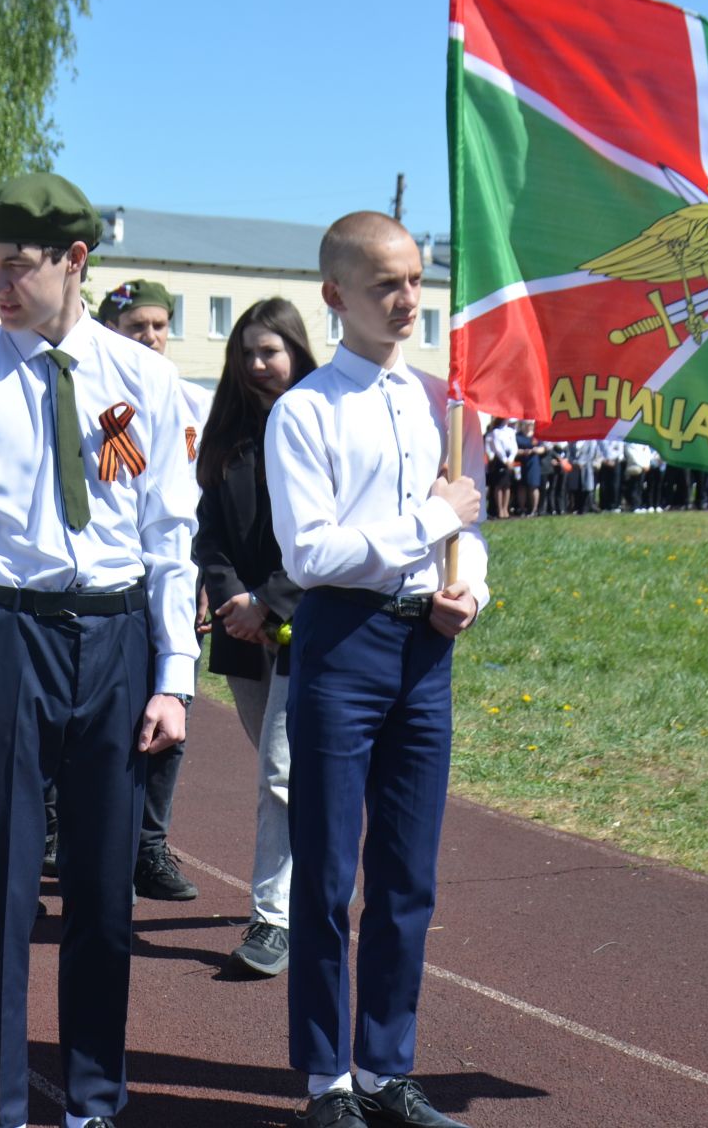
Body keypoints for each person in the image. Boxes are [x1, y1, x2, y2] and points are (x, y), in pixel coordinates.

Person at [0, 173, 198, 1128]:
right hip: (7, 634)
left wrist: (174, 678)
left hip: (114, 637)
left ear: (75, 261)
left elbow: (169, 534)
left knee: (105, 892)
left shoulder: (145, 380)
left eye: (18, 267)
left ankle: (93, 1101)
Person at [267, 211, 486, 1128]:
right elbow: (312, 553)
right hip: (342, 645)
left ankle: (388, 1066)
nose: (407, 300)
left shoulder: (441, 399)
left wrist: (467, 585)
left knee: (408, 874)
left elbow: (468, 520)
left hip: (423, 649)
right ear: (335, 296)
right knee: (324, 872)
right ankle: (326, 1080)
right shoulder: (304, 411)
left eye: (415, 280)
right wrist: (433, 524)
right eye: (385, 284)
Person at [193, 297, 314, 977]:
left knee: (281, 773)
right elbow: (208, 531)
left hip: (306, 629)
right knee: (289, 777)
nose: (258, 365)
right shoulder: (229, 435)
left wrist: (268, 602)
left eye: (270, 351)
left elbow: (324, 537)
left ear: (296, 350)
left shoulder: (321, 421)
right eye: (247, 353)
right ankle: (320, 885)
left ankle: (273, 919)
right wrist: (230, 598)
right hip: (242, 631)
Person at [96, 277, 208, 903]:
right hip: (109, 584)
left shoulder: (188, 400)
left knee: (170, 713)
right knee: (107, 725)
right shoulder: (95, 397)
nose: (151, 337)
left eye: (160, 326)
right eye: (138, 326)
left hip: (171, 576)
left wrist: (201, 580)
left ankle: (149, 847)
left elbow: (203, 500)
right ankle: (95, 843)